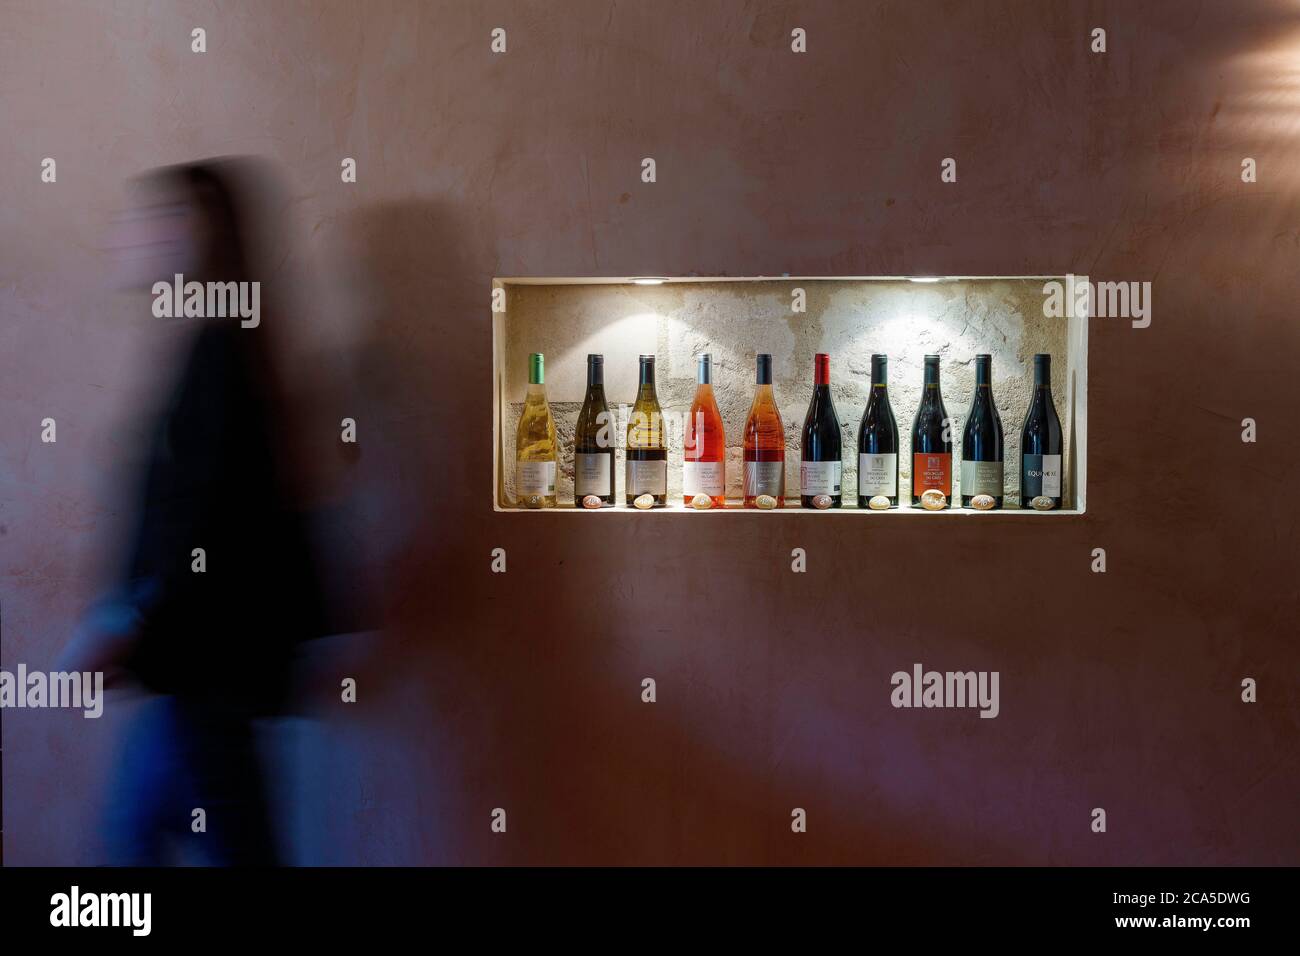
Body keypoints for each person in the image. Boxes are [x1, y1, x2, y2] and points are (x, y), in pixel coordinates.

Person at [61, 159, 328, 865]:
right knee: (149, 836)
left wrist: (126, 623)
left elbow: (199, 519)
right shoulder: (223, 345)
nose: (127, 238)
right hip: (205, 668)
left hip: (206, 664)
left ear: (191, 236)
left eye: (148, 222)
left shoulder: (217, 353)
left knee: (168, 842)